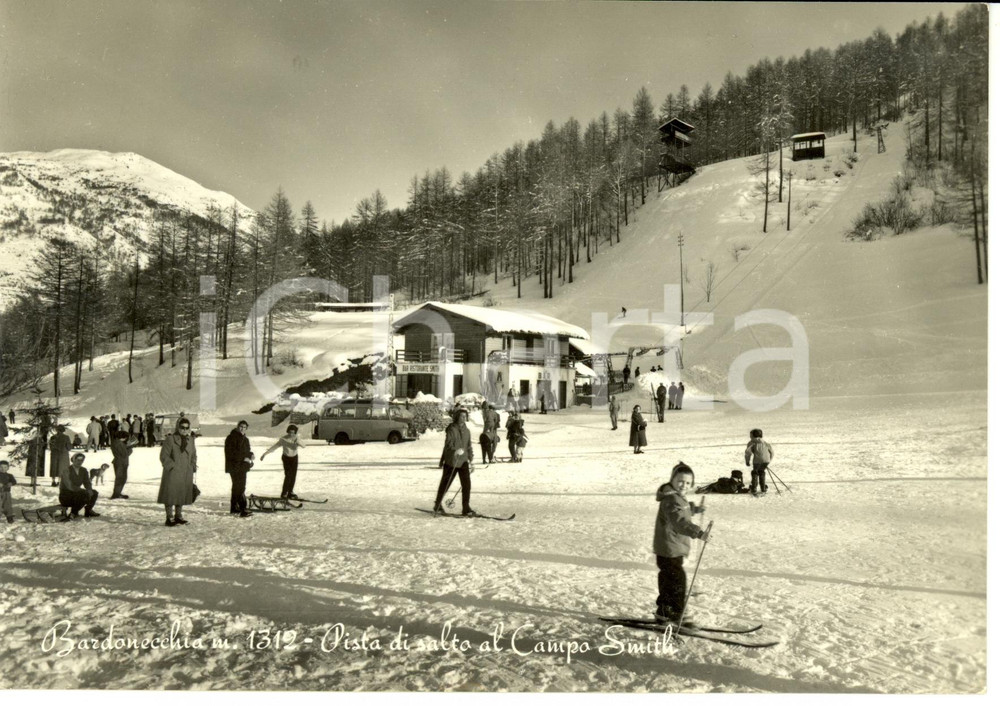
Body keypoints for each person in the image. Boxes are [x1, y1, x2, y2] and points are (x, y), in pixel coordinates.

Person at [652, 462, 708, 625]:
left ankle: (664, 609)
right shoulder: (670, 499)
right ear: (672, 480)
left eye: (688, 483)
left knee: (669, 580)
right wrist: (697, 532)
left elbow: (683, 509)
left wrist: (695, 509)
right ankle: (677, 612)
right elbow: (678, 520)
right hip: (669, 547)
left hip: (672, 547)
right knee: (677, 581)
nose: (684, 485)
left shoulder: (676, 497)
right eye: (680, 481)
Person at [433, 408, 475, 515]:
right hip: (451, 461)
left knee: (466, 485)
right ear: (457, 417)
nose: (464, 418)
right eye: (461, 416)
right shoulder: (452, 429)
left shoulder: (467, 431)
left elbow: (469, 446)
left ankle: (466, 508)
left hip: (463, 461)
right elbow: (448, 444)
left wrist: (471, 460)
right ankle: (437, 504)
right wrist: (455, 451)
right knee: (445, 484)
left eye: (465, 416)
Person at [158, 418, 197, 526]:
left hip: (185, 472)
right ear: (178, 427)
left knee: (181, 493)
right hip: (173, 472)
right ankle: (169, 517)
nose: (184, 430)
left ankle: (178, 516)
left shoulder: (191, 440)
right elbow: (164, 456)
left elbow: (194, 454)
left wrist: (192, 465)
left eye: (187, 428)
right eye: (182, 427)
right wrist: (171, 467)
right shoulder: (170, 439)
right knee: (170, 494)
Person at [261, 424, 302, 500]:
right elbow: (274, 447)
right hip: (286, 458)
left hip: (294, 458)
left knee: (293, 475)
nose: (291, 434)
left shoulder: (296, 438)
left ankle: (290, 492)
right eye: (289, 432)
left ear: (295, 433)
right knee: (288, 475)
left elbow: (304, 445)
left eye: (293, 432)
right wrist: (265, 454)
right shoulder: (283, 439)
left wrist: (298, 442)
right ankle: (284, 493)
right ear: (287, 431)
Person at [225, 420, 254, 517]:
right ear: (238, 426)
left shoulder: (245, 439)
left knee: (237, 487)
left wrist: (251, 455)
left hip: (242, 466)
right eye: (241, 426)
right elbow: (230, 453)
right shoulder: (231, 437)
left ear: (246, 428)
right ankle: (243, 509)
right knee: (240, 487)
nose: (242, 428)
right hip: (234, 466)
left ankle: (234, 508)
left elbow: (247, 451)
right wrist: (243, 458)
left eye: (244, 427)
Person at [60, 453, 100, 520]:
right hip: (66, 495)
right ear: (73, 459)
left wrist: (89, 489)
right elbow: (69, 485)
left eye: (82, 460)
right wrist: (83, 491)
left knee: (94, 493)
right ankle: (73, 513)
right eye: (78, 460)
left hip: (77, 493)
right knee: (83, 494)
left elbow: (87, 482)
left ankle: (88, 510)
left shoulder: (83, 470)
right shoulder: (66, 470)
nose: (80, 462)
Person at [109, 429, 139, 499]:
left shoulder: (116, 442)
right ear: (121, 437)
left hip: (120, 462)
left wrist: (128, 446)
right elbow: (125, 454)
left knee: (121, 479)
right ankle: (116, 494)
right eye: (125, 437)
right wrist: (131, 447)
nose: (126, 439)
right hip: (121, 462)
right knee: (120, 479)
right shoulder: (119, 443)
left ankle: (117, 493)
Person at [745, 428, 774, 495]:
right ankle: (763, 487)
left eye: (751, 435)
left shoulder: (751, 443)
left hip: (757, 461)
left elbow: (748, 453)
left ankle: (754, 487)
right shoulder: (766, 443)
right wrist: (769, 460)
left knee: (755, 472)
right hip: (766, 460)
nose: (750, 437)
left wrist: (747, 461)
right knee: (761, 472)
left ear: (753, 436)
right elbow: (772, 452)